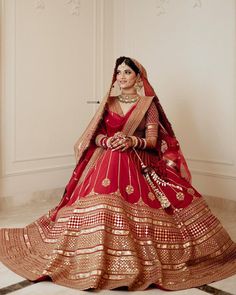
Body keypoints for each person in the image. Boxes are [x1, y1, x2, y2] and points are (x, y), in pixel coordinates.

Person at [0, 57, 236, 291]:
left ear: (138, 77)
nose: (121, 77)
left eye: (127, 73)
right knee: (111, 162)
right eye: (119, 73)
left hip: (139, 160)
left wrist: (131, 140)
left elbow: (153, 141)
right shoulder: (108, 103)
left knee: (131, 166)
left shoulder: (148, 105)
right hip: (106, 158)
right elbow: (96, 135)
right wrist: (110, 140)